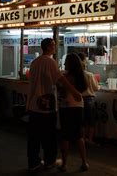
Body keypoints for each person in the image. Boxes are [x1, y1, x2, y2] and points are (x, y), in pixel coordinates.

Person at [26, 38, 82, 171]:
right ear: (50, 47)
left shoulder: (34, 62)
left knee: (34, 137)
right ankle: (50, 161)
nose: (55, 47)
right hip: (47, 106)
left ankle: (33, 162)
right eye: (54, 45)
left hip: (34, 105)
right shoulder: (51, 62)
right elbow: (61, 79)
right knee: (49, 135)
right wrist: (74, 92)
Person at [58, 53, 90, 172]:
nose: (65, 63)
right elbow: (83, 91)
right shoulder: (82, 76)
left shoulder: (66, 77)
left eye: (66, 61)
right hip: (78, 106)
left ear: (70, 64)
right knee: (79, 136)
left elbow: (62, 92)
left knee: (65, 136)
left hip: (67, 107)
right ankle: (84, 162)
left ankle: (64, 164)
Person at [77, 52, 100, 146]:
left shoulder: (74, 76)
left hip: (79, 100)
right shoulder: (90, 75)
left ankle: (82, 139)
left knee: (82, 121)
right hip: (89, 100)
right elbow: (96, 88)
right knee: (91, 121)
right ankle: (89, 139)